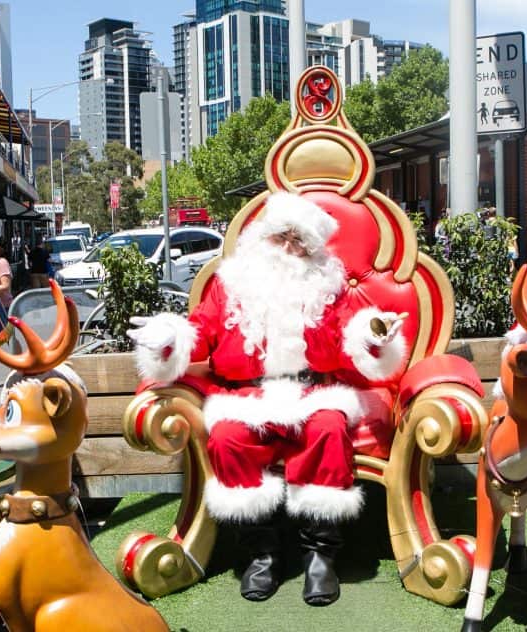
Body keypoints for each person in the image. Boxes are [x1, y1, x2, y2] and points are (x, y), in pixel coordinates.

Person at [127, 192, 408, 607]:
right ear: (262, 238)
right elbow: (199, 331)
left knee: (328, 428)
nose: (290, 249)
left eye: (300, 242)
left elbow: (355, 330)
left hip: (314, 391)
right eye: (282, 238)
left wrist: (375, 332)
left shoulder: (329, 287)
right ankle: (261, 553)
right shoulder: (231, 285)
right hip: (246, 395)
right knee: (226, 437)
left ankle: (320, 556)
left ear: (314, 250)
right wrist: (168, 339)